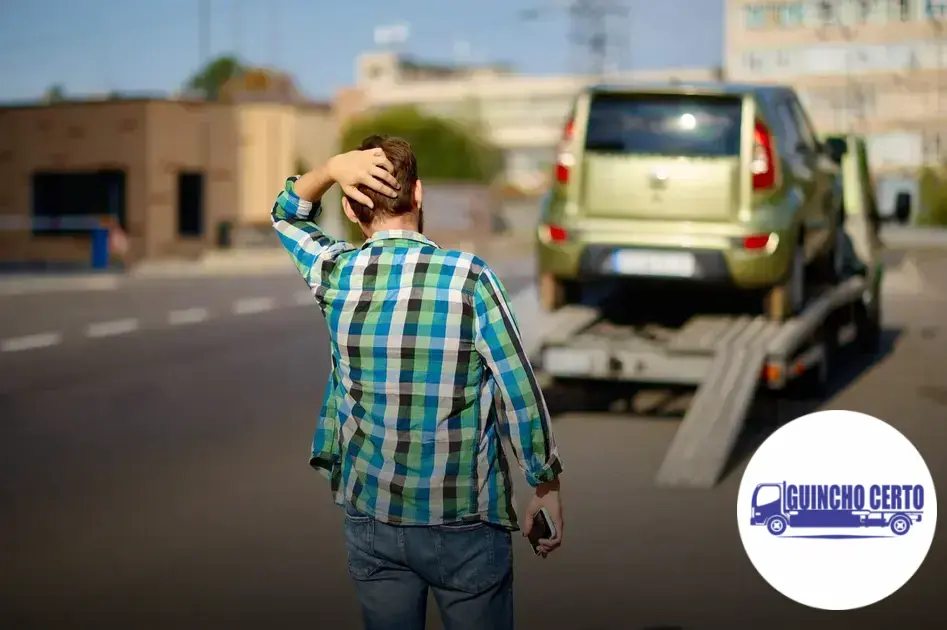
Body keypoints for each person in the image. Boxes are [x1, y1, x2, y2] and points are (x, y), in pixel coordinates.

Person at [271, 135, 564, 630]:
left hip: (373, 514)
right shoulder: (470, 278)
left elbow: (286, 215)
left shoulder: (335, 272)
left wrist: (329, 169)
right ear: (420, 194)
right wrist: (545, 482)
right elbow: (519, 390)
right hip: (465, 521)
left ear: (348, 204)